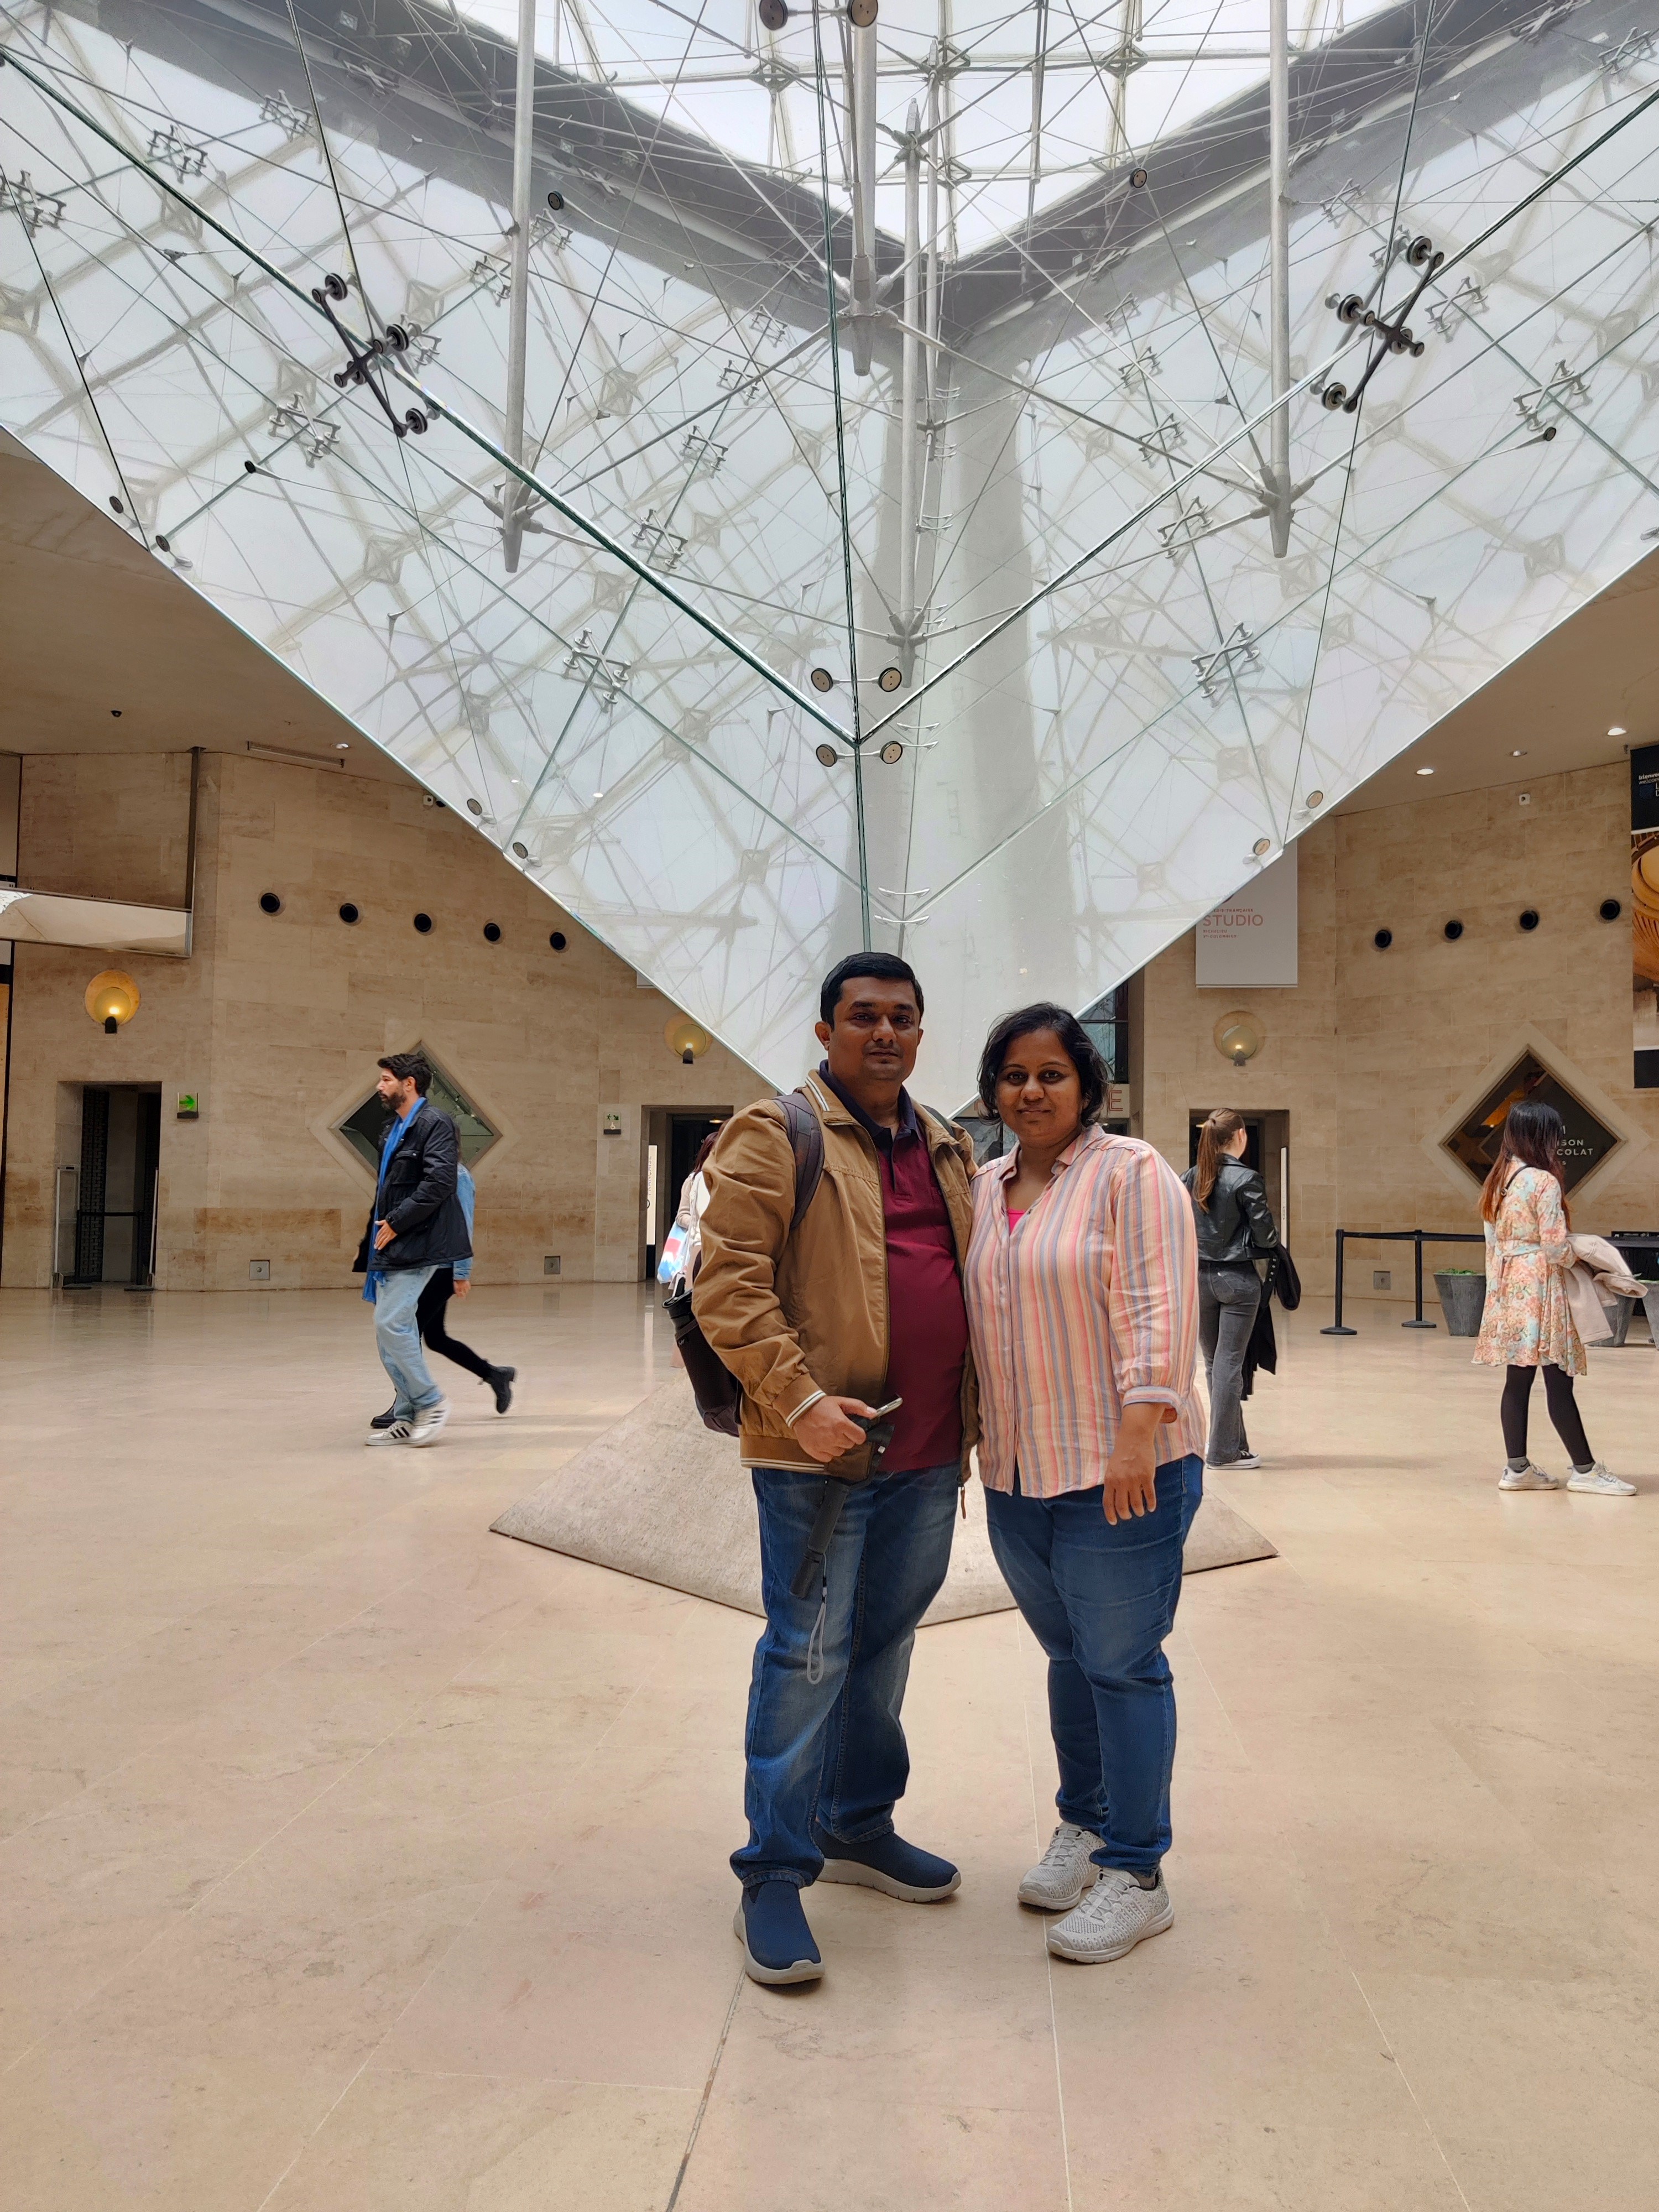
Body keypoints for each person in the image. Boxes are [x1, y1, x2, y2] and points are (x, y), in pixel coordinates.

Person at [693, 952, 978, 1987]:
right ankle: (773, 1870)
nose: (885, 1032)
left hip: (930, 1451)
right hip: (822, 1455)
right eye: (863, 1016)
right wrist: (801, 1402)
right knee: (806, 1655)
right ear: (826, 1032)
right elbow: (726, 1282)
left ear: (921, 1031)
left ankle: (856, 1822)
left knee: (885, 1646)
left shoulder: (945, 1142)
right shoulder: (777, 1132)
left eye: (902, 1016)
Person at [963, 1005, 1206, 1966]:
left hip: (1119, 1467)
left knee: (1123, 1663)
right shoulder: (983, 1187)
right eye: (1014, 1075)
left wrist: (1139, 1434)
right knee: (1069, 1655)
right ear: (994, 1090)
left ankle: (1138, 1874)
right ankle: (1085, 1823)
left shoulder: (1130, 1171)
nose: (1032, 1091)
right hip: (1019, 1468)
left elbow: (1159, 1303)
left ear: (1086, 1085)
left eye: (1052, 1074)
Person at [1475, 1099, 1633, 1494]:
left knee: (1517, 1381)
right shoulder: (1543, 1181)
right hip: (1543, 1288)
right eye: (1555, 1133)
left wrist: (1498, 1293)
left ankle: (1517, 1469)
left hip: (1510, 1288)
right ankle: (1585, 1471)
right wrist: (1583, 1254)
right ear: (1541, 1136)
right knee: (1559, 1380)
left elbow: (1492, 1244)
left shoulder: (1498, 1180)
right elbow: (1555, 1247)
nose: (1559, 1140)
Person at [353, 1052, 471, 1448]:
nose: (379, 1086)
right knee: (386, 1332)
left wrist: (397, 1222)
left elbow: (440, 1182)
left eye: (386, 1079)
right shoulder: (393, 1130)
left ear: (410, 1084)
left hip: (419, 1241)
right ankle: (406, 1416)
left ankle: (431, 1402)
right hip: (391, 1242)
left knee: (392, 1324)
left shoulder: (435, 1123)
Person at [369, 1162, 514, 1428]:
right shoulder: (431, 1173)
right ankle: (495, 1375)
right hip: (427, 1265)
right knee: (435, 1338)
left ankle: (409, 1404)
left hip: (443, 1268)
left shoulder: (458, 1176)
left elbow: (464, 1222)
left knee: (406, 1332)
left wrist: (462, 1272)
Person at [1181, 1109, 1279, 1470]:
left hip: (1199, 1278)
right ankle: (1223, 1453)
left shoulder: (1191, 1176)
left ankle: (1231, 1443)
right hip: (1237, 1280)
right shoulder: (1247, 1178)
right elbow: (1266, 1236)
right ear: (1240, 1135)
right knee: (1229, 1364)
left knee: (1215, 1364)